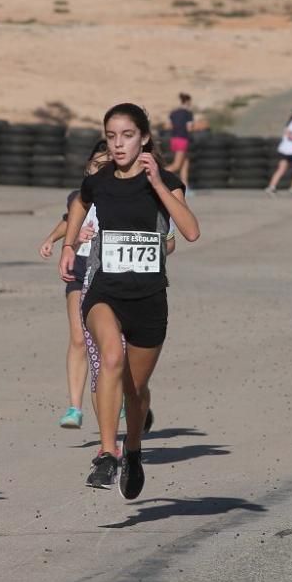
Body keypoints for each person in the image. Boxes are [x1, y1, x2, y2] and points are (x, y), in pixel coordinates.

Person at [59, 103, 199, 500]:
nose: (118, 144)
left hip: (150, 300)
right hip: (105, 292)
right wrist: (69, 245)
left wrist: (156, 184)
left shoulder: (168, 181)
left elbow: (190, 231)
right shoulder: (100, 181)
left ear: (144, 139)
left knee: (136, 391)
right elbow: (78, 203)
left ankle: (133, 452)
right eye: (112, 136)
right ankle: (107, 453)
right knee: (111, 360)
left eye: (127, 136)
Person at [39, 140, 109, 429]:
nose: (99, 170)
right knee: (79, 337)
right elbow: (69, 222)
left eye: (106, 166)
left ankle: (116, 398)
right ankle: (74, 408)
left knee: (109, 344)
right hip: (80, 268)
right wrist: (51, 239)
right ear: (87, 166)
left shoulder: (122, 195)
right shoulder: (79, 196)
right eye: (96, 164)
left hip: (110, 271)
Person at [265, 106, 292, 196]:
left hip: (284, 149)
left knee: (282, 168)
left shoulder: (291, 122)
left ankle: (271, 187)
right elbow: (288, 133)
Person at [165, 93, 194, 190]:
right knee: (176, 165)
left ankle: (186, 187)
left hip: (174, 139)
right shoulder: (188, 113)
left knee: (185, 162)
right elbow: (189, 128)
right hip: (183, 139)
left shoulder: (173, 113)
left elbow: (168, 126)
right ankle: (156, 175)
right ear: (187, 101)